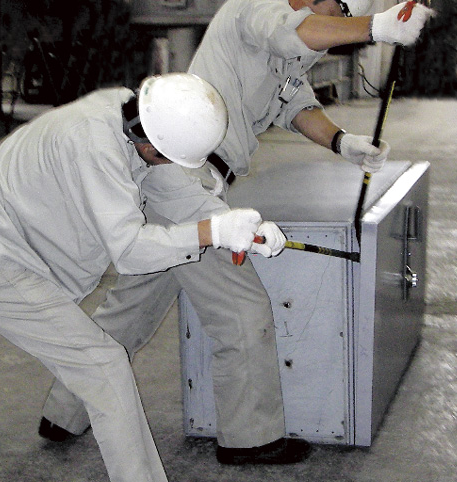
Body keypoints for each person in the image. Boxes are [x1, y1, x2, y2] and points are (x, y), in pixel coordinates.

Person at [36, 0, 435, 468]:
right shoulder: (257, 9)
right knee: (241, 308)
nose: (341, 17)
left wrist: (342, 142)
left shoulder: (293, 47)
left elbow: (296, 104)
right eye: (341, 8)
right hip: (183, 179)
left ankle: (63, 413)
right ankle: (249, 438)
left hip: (185, 177)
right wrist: (375, 27)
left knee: (133, 308)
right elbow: (295, 32)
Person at [0, 72, 283, 482]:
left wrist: (239, 225)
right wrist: (212, 232)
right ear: (150, 144)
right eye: (168, 157)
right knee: (103, 366)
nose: (171, 166)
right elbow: (130, 251)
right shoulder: (92, 145)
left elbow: (177, 195)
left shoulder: (136, 118)